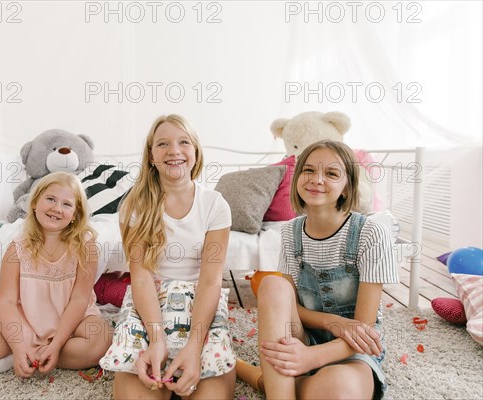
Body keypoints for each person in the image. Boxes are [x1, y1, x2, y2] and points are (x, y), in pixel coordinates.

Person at [238, 139, 398, 399]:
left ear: (346, 188)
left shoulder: (370, 233)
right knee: (272, 284)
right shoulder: (290, 231)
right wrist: (331, 323)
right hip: (304, 337)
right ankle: (282, 392)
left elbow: (363, 329)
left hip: (352, 348)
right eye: (309, 170)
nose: (316, 179)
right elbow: (293, 308)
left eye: (331, 173)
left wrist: (311, 358)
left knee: (336, 388)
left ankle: (267, 380)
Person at [110, 114, 236, 399]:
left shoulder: (215, 205)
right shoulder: (134, 205)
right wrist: (157, 340)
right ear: (151, 156)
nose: (174, 151)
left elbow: (210, 282)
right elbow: (140, 279)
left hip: (200, 305)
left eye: (183, 142)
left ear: (195, 152)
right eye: (162, 144)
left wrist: (194, 345)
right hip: (150, 304)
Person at [0, 171, 111, 382]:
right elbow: (6, 301)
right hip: (26, 321)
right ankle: (22, 352)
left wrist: (57, 344)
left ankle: (39, 354)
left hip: (72, 320)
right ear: (34, 203)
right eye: (50, 199)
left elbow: (79, 299)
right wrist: (18, 343)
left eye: (67, 204)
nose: (57, 208)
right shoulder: (17, 248)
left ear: (76, 214)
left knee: (101, 341)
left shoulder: (86, 246)